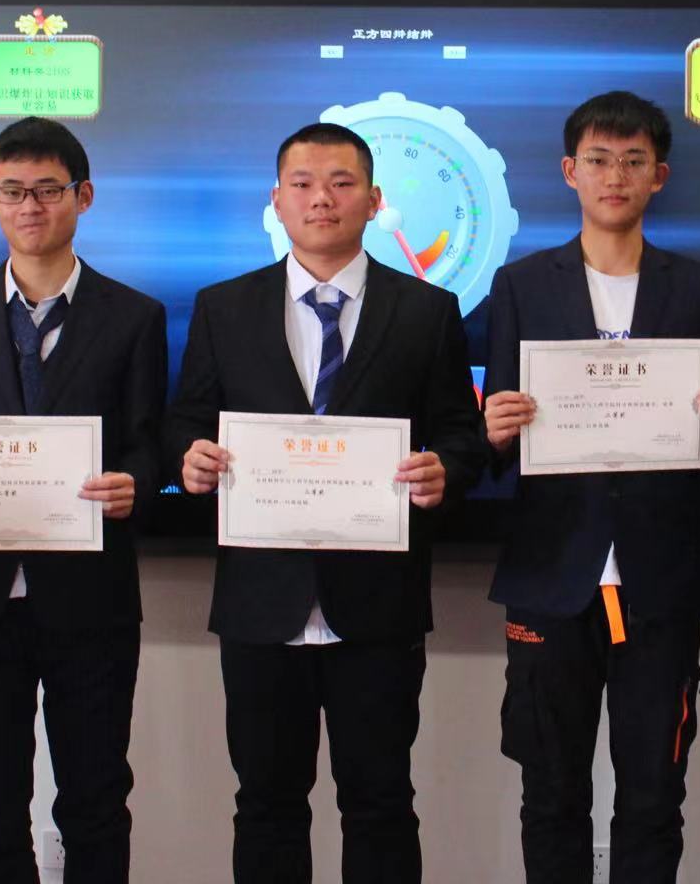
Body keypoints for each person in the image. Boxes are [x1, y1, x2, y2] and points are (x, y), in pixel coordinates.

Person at [166, 121, 489, 884]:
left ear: (374, 201)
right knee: (266, 804)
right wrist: (191, 456)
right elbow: (187, 418)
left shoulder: (427, 310)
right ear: (276, 200)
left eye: (342, 183)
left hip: (378, 603)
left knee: (380, 803)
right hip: (260, 602)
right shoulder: (224, 307)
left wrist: (446, 469)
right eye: (303, 183)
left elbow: (461, 433)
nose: (322, 198)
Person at [0, 117, 166, 884]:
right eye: (13, 192)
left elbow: (149, 445)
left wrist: (136, 482)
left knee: (95, 803)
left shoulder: (134, 316)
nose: (30, 207)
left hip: (92, 602)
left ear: (83, 197)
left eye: (48, 190)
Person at [480, 91, 700, 883]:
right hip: (551, 573)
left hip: (661, 577)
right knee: (550, 794)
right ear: (570, 171)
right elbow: (497, 450)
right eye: (598, 160)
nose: (615, 176)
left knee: (654, 797)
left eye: (633, 161)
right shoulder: (522, 284)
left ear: (659, 176)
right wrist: (496, 430)